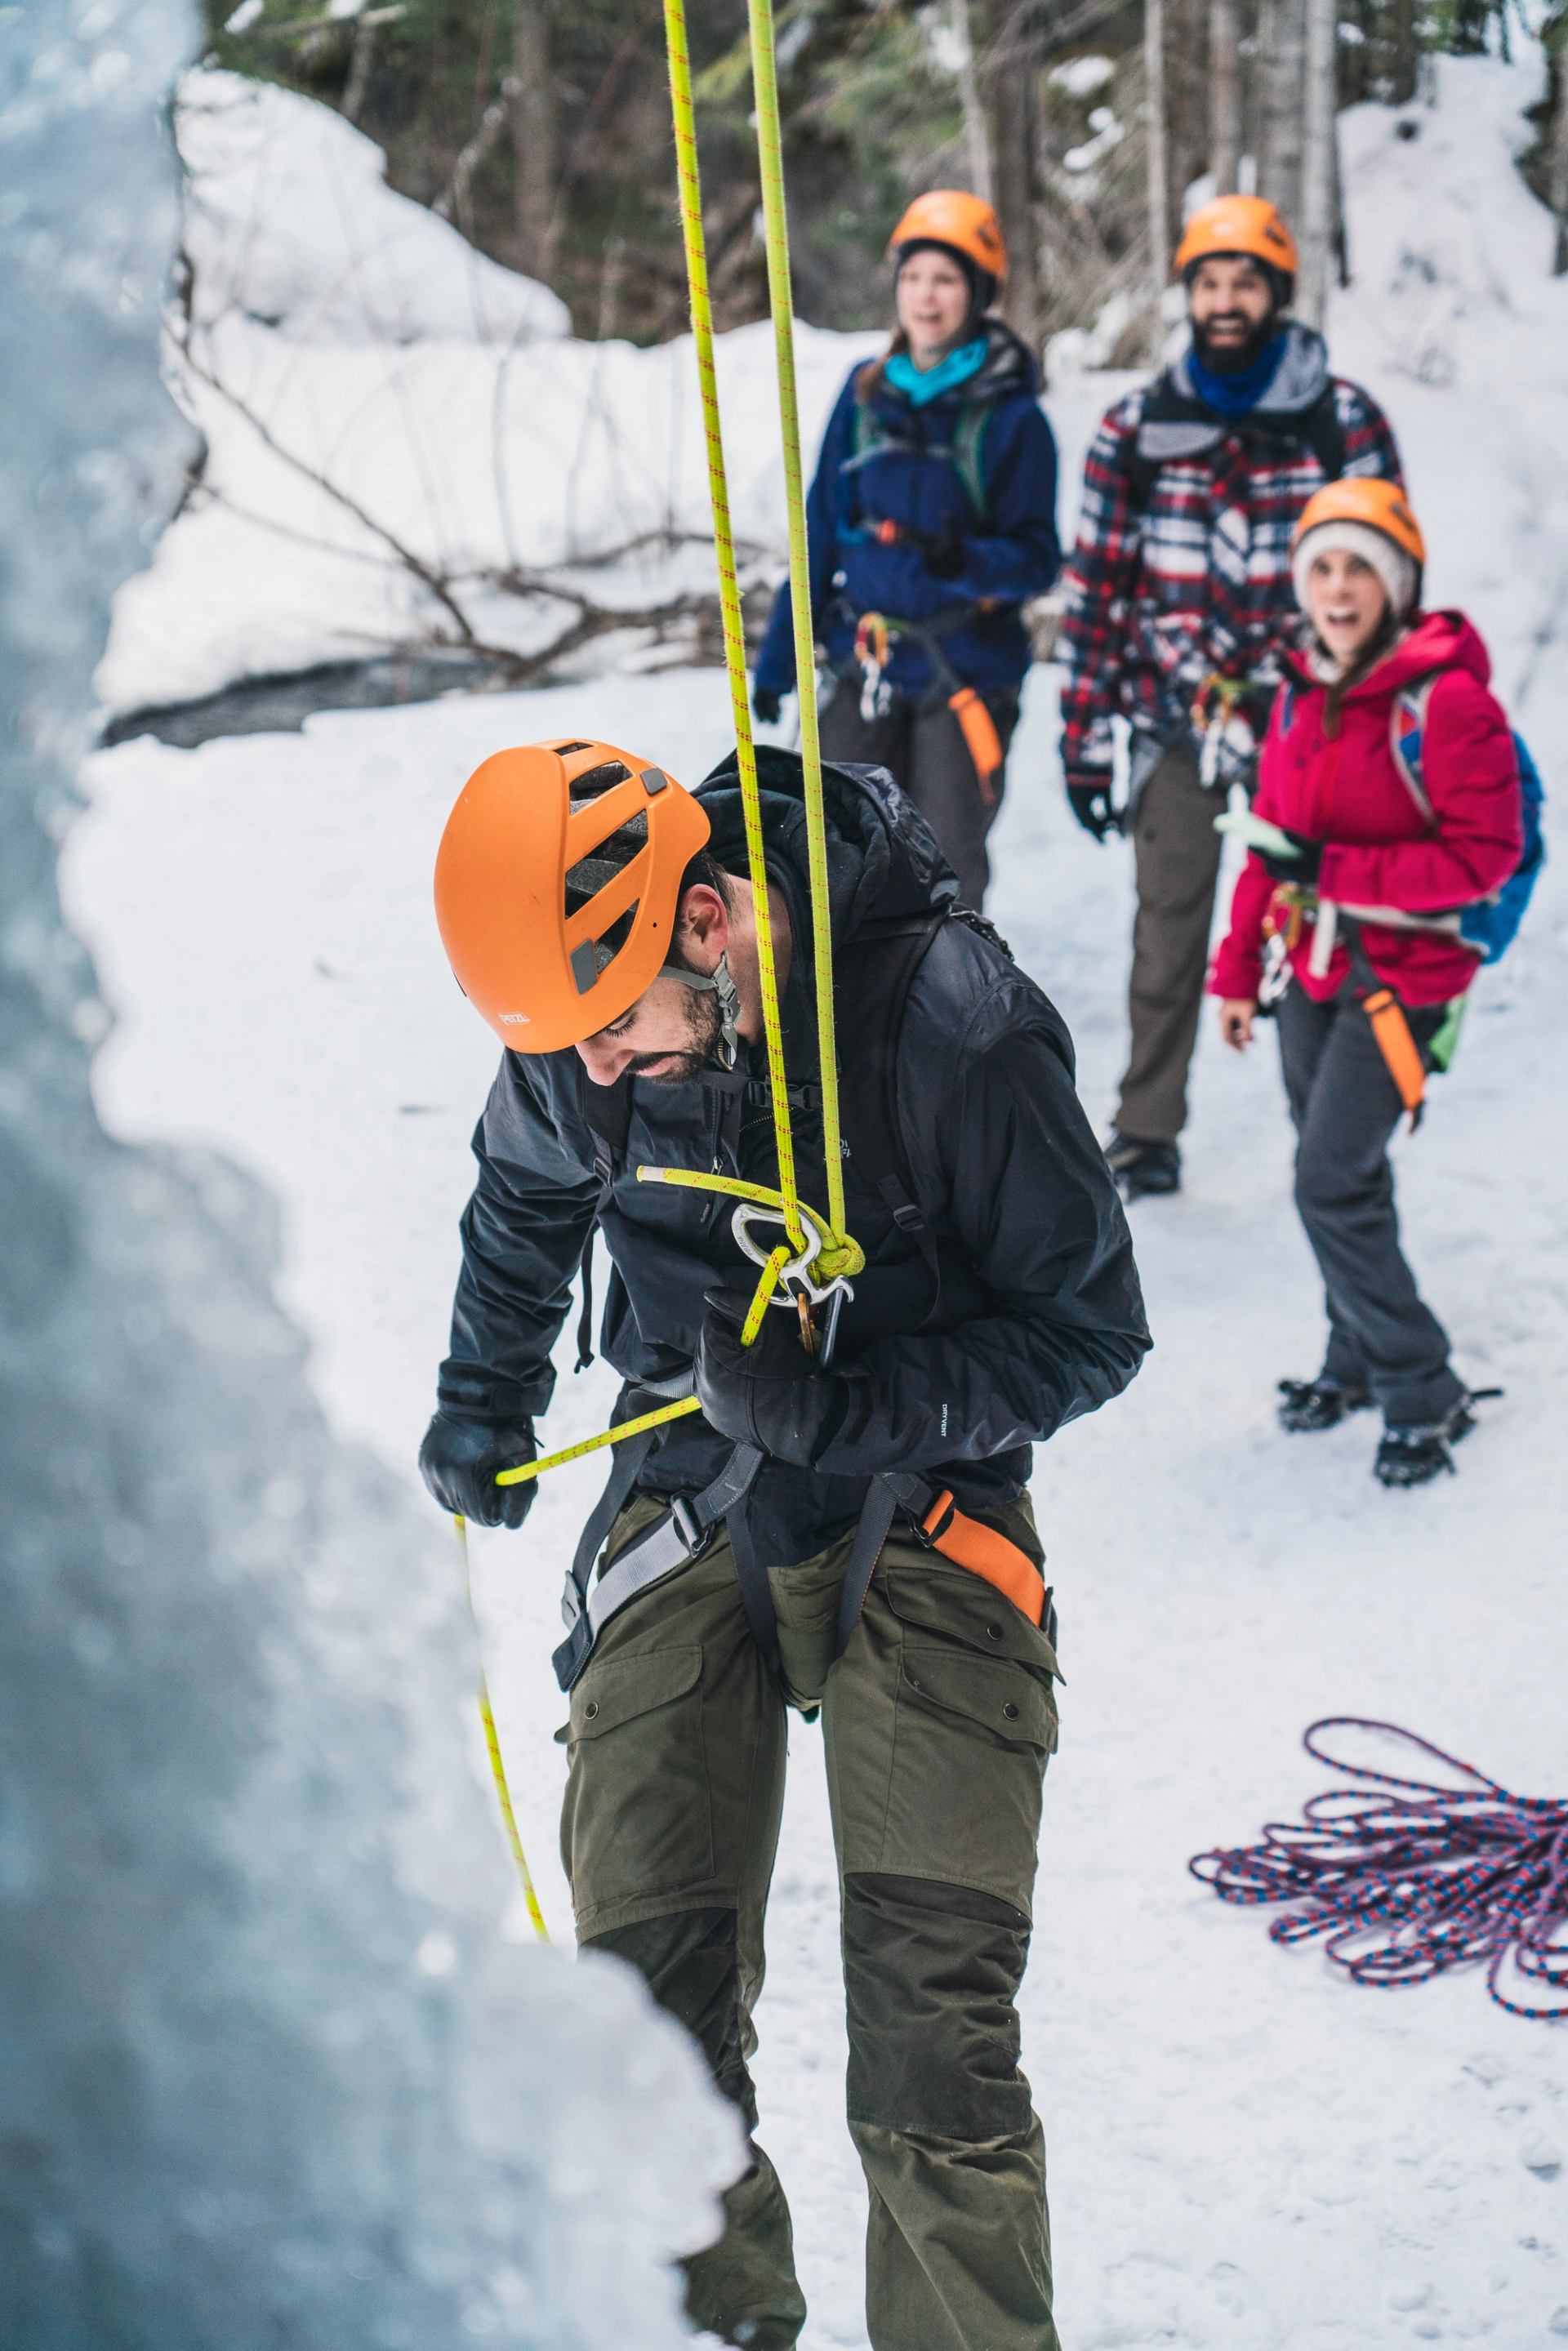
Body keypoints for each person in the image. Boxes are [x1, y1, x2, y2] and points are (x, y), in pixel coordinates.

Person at [421, 733, 1149, 2350]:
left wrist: (852, 1407)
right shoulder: (577, 1012)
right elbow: (525, 1196)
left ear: (705, 923)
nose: (594, 1075)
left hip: (928, 1495)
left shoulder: (953, 1020)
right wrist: (485, 1393)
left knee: (932, 2060)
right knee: (645, 2049)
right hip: (686, 1490)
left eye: (614, 1035)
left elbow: (1091, 1330)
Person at [1058, 194, 1403, 1199]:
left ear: (1277, 293)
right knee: (1168, 927)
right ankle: (1146, 1127)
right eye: (1208, 282)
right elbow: (1098, 593)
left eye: (1245, 281)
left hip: (1313, 720)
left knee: (1319, 922)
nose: (1224, 300)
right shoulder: (1136, 424)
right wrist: (1083, 740)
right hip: (1179, 719)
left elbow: (1389, 582)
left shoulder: (1341, 421)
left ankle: (1331, 1133)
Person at [1210, 479, 1521, 1487]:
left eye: (1359, 568)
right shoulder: (1301, 688)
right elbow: (1270, 842)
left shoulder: (1450, 699)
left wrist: (1336, 876)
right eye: (1322, 568)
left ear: (1397, 581)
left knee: (1329, 1180)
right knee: (1335, 1169)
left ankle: (1420, 1383)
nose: (1338, 588)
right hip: (1311, 966)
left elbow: (1487, 857)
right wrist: (1234, 971)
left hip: (1404, 978)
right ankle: (1353, 1353)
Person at [751, 191, 1060, 909]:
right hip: (867, 661)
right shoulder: (864, 395)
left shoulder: (1013, 419)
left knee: (942, 869)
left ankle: (947, 1013)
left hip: (962, 675)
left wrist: (969, 564)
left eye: (947, 279)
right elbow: (818, 531)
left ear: (977, 294)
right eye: (915, 276)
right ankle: (842, 1013)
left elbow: (1039, 559)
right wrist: (775, 663)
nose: (927, 295)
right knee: (827, 848)